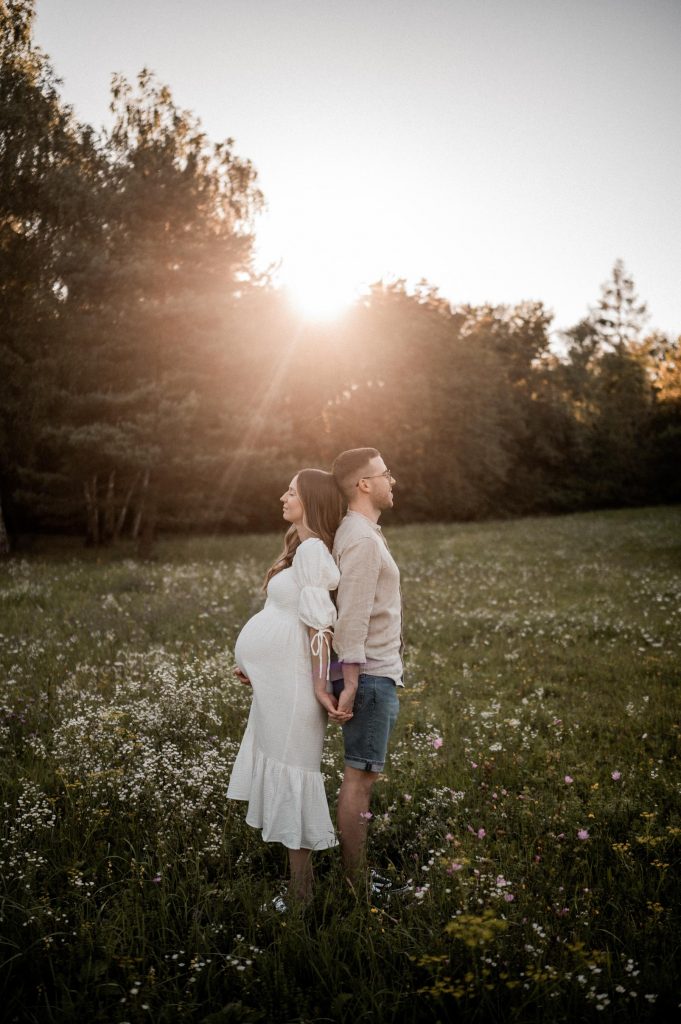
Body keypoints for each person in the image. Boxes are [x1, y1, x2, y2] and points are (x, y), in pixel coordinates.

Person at [227, 469, 348, 905]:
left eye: (291, 492)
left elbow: (320, 625)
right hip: (276, 684)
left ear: (310, 501)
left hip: (298, 687)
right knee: (283, 769)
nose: (283, 496)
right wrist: (255, 666)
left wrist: (320, 684)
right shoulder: (301, 548)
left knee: (294, 773)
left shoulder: (314, 550)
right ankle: (299, 887)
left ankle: (303, 894)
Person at [330, 448, 404, 888]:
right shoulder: (359, 538)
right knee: (359, 779)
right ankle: (356, 884)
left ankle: (357, 877)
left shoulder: (363, 533)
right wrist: (352, 682)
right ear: (364, 484)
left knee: (363, 775)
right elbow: (352, 617)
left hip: (375, 671)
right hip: (370, 676)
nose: (391, 481)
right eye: (385, 474)